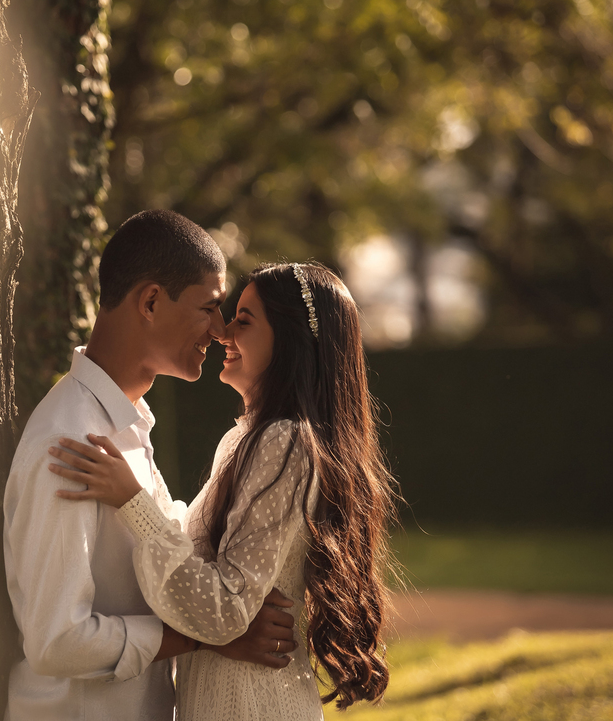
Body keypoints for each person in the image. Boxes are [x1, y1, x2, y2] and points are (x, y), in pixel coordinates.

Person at [48, 261, 396, 720]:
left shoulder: (283, 442)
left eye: (244, 320)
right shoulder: (250, 437)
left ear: (291, 341)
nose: (222, 332)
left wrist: (132, 502)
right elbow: (202, 562)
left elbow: (224, 611)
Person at [3, 211, 298, 721]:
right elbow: (56, 641)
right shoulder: (70, 444)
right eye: (209, 308)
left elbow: (168, 546)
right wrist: (203, 637)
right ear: (151, 301)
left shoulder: (126, 425)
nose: (220, 330)